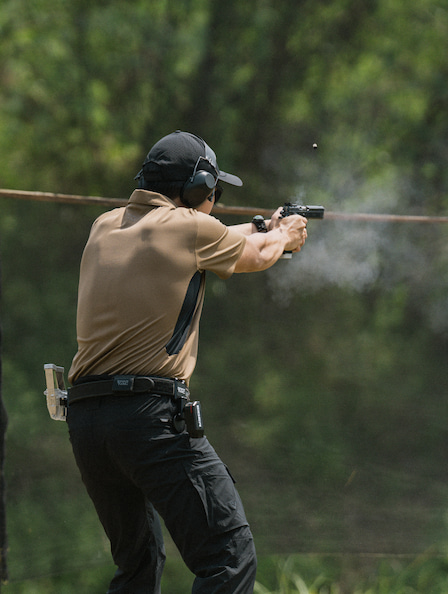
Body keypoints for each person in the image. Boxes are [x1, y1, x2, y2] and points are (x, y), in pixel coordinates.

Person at [65, 130, 308, 593]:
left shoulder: (106, 225)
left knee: (137, 568)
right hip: (148, 419)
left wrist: (266, 227)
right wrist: (283, 236)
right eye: (212, 194)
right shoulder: (189, 228)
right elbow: (253, 255)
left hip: (87, 423)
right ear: (197, 190)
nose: (213, 204)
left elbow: (200, 240)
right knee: (227, 557)